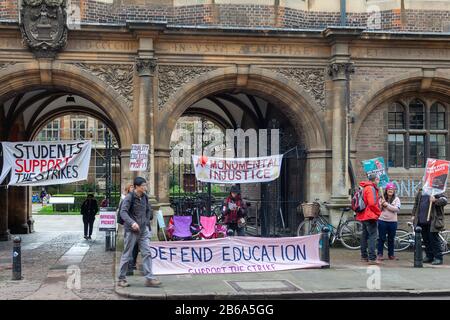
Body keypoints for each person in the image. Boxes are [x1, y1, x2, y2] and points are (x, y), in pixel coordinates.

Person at [117, 177, 161, 287]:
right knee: (127, 254)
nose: (145, 187)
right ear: (137, 187)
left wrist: (146, 222)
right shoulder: (129, 197)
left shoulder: (145, 197)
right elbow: (123, 212)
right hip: (131, 230)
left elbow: (148, 210)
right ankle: (121, 278)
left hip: (143, 230)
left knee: (147, 253)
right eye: (143, 186)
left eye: (145, 185)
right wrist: (132, 223)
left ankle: (149, 278)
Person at [412, 188, 447, 265]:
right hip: (422, 220)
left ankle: (438, 258)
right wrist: (413, 215)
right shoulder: (421, 192)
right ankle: (429, 256)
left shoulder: (437, 191)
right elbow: (416, 204)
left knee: (434, 240)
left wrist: (435, 200)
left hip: (432, 222)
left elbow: (444, 201)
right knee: (426, 240)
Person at [357, 174, 382, 264]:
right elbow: (371, 203)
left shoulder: (365, 187)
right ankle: (372, 258)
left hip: (364, 215)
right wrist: (378, 212)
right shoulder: (371, 188)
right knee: (373, 236)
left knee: (364, 235)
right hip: (370, 215)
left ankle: (364, 256)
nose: (378, 182)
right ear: (375, 179)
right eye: (378, 180)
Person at [377, 182, 401, 261]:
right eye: (389, 189)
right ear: (386, 190)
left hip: (393, 222)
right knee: (381, 238)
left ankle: (391, 254)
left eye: (392, 189)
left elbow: (396, 209)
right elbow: (378, 209)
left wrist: (387, 205)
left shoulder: (396, 199)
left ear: (394, 190)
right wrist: (381, 205)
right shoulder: (381, 198)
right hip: (382, 221)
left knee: (391, 239)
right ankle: (380, 254)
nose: (390, 191)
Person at [119, 183, 139, 276]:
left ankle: (132, 264)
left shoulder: (140, 198)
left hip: (138, 227)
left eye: (133, 187)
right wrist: (129, 223)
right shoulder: (125, 199)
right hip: (129, 226)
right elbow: (121, 212)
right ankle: (127, 269)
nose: (132, 188)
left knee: (136, 247)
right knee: (128, 248)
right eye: (130, 187)